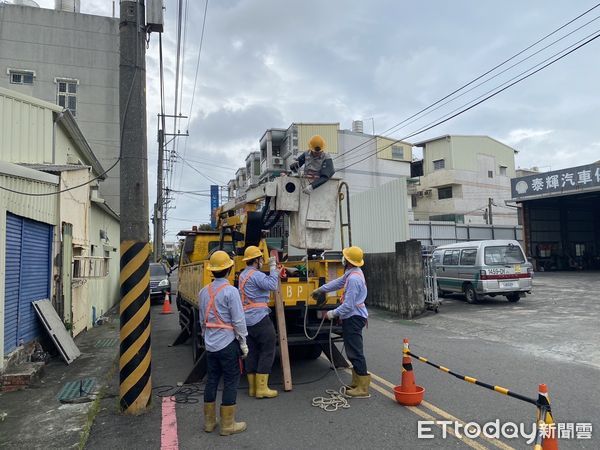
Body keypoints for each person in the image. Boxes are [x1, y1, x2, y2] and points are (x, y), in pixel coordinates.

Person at [198, 250, 248, 436]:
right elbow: (238, 321)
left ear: (212, 270)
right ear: (229, 269)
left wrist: (206, 337)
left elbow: (202, 320)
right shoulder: (231, 292)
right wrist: (243, 342)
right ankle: (228, 425)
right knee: (230, 380)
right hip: (227, 343)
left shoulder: (204, 291)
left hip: (210, 344)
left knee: (212, 380)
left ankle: (209, 423)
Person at [312, 246, 370, 397]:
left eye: (344, 257)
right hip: (354, 315)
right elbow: (338, 282)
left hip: (354, 316)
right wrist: (322, 289)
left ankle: (362, 388)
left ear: (347, 261)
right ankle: (357, 382)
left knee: (355, 351)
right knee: (352, 350)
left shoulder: (354, 279)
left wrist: (331, 313)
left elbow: (348, 306)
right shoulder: (353, 273)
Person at [239, 246, 280, 399]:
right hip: (259, 318)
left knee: (252, 351)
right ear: (256, 260)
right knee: (268, 349)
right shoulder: (255, 275)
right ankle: (262, 389)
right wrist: (273, 268)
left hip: (246, 319)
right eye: (261, 258)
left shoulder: (243, 275)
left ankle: (252, 388)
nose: (262, 261)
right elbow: (272, 285)